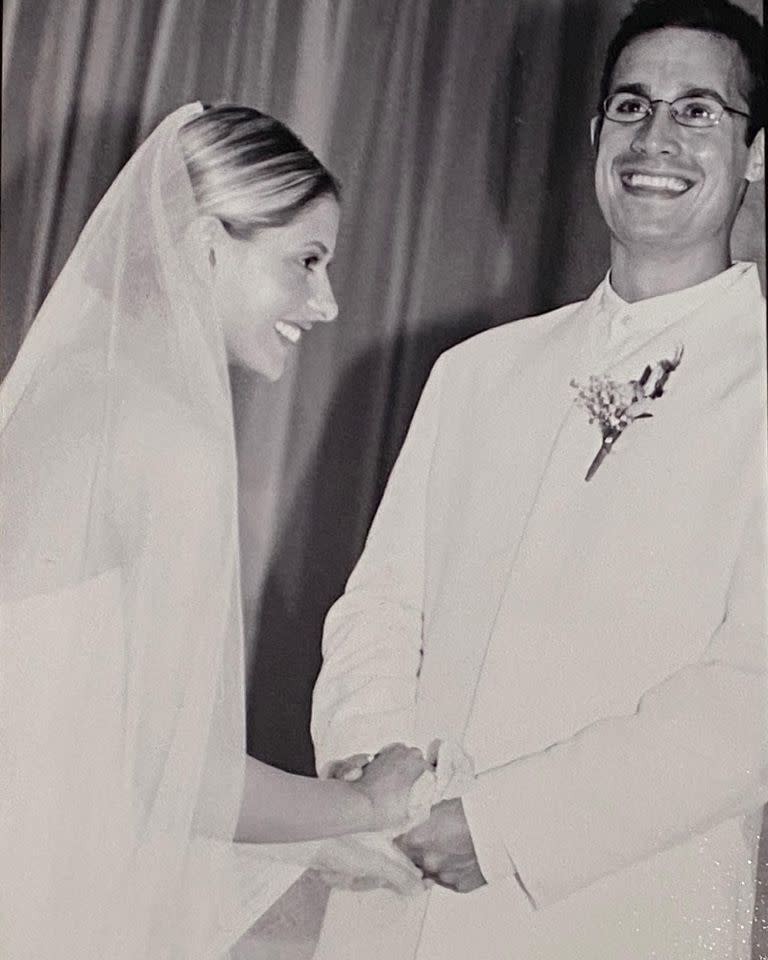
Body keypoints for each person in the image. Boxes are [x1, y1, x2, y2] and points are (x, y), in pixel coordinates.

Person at [310, 1, 767, 957]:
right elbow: (381, 608)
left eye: (697, 112)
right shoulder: (476, 371)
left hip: (620, 904)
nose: (655, 138)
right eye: (631, 105)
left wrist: (506, 829)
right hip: (401, 897)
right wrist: (374, 769)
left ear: (757, 153)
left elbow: (751, 690)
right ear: (596, 133)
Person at [0, 103, 432, 960]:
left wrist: (320, 838)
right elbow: (187, 782)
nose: (328, 302)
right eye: (305, 262)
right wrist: (372, 804)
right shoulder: (168, 435)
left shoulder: (52, 397)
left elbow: (86, 742)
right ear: (204, 247)